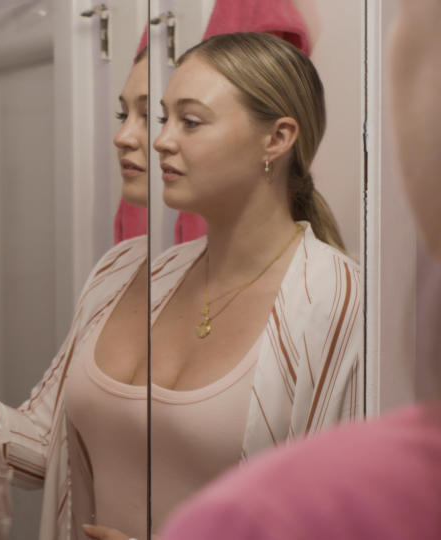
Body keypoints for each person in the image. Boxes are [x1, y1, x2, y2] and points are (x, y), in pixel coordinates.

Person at [160, 1, 441, 538]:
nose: (156, 140)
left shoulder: (285, 515)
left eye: (404, 16)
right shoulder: (148, 275)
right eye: (160, 117)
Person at [81, 32, 362, 540]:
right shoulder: (132, 273)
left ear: (276, 138)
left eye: (189, 121)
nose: (160, 140)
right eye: (166, 119)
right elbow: (36, 447)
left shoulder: (333, 299)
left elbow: (332, 520)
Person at [0, 48, 151, 540]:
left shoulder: (319, 290)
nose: (122, 136)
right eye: (123, 113)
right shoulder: (121, 265)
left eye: (153, 115)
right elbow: (41, 449)